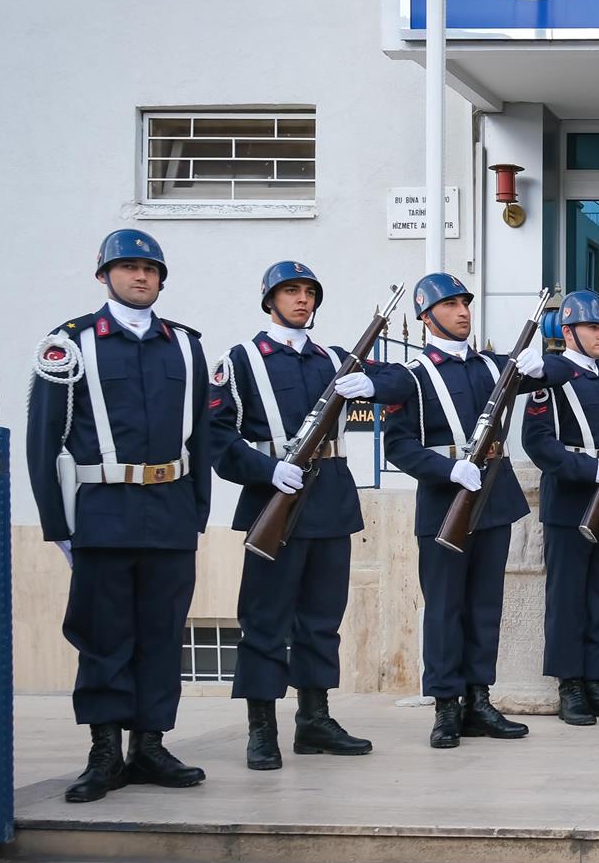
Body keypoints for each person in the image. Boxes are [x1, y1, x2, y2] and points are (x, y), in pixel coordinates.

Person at [28, 230, 214, 803]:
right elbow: (44, 442)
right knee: (104, 636)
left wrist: (196, 513)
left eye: (150, 269)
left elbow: (201, 439)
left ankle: (150, 745)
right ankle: (105, 751)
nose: (141, 277)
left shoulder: (185, 345)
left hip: (169, 513)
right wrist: (59, 528)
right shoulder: (70, 344)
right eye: (128, 267)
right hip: (103, 514)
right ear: (104, 275)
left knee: (162, 635)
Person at [376, 273, 566, 748]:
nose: (462, 311)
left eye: (465, 302)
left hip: (493, 500)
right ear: (425, 316)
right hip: (445, 502)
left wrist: (539, 366)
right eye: (450, 304)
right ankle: (446, 706)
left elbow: (564, 374)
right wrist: (446, 471)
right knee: (445, 609)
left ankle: (480, 700)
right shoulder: (413, 376)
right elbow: (397, 447)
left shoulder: (491, 367)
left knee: (485, 607)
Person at [210, 261, 377, 771]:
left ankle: (314, 720)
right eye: (291, 291)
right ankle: (262, 729)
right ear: (270, 300)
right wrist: (266, 471)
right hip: (274, 502)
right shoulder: (241, 360)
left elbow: (389, 394)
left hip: (329, 504)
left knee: (322, 621)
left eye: (309, 292)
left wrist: (373, 390)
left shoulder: (333, 359)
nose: (302, 300)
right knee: (265, 621)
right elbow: (217, 439)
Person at [520, 290, 599, 726]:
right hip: (572, 500)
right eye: (592, 327)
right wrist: (587, 470)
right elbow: (538, 442)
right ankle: (569, 683)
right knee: (568, 597)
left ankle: (595, 680)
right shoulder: (551, 376)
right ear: (568, 332)